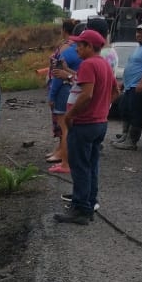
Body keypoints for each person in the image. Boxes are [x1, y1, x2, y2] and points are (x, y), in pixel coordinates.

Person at [54, 29, 118, 225]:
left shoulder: (89, 64)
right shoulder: (104, 65)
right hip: (99, 123)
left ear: (90, 46)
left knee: (80, 166)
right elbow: (116, 91)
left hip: (85, 123)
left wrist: (71, 116)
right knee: (91, 164)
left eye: (80, 45)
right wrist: (103, 109)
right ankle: (89, 202)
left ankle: (80, 209)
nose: (77, 49)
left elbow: (87, 94)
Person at [111, 23, 142, 150]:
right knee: (124, 108)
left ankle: (132, 141)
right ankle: (125, 135)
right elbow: (134, 65)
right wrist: (124, 82)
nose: (139, 34)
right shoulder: (140, 47)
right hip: (131, 85)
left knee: (136, 112)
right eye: (138, 32)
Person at [46, 19, 80, 171]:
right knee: (67, 127)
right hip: (73, 89)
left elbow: (57, 75)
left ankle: (64, 161)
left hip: (63, 90)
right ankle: (61, 152)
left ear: (65, 30)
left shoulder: (66, 50)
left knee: (64, 127)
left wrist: (52, 96)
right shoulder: (81, 51)